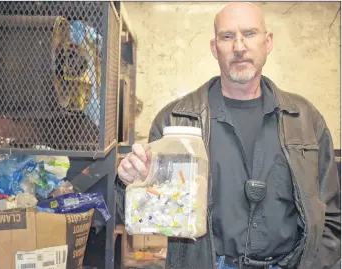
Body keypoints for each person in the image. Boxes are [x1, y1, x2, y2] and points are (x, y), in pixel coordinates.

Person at [116, 2, 341, 269]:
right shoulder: (175, 120)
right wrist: (129, 183)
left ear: (267, 42)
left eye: (249, 33)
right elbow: (142, 214)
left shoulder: (305, 119)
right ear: (214, 47)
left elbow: (332, 217)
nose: (239, 47)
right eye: (227, 36)